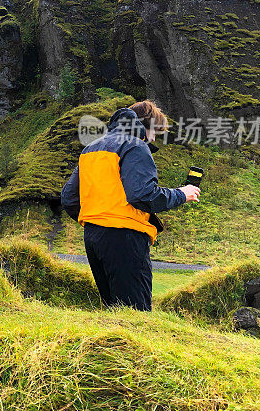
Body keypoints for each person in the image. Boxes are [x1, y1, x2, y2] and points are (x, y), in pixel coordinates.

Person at [60, 101, 200, 311]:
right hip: (125, 237)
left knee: (112, 310)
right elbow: (144, 196)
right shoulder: (135, 145)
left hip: (93, 237)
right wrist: (182, 194)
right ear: (146, 126)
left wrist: (98, 219)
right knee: (135, 312)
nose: (154, 139)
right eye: (155, 132)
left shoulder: (91, 148)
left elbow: (69, 198)